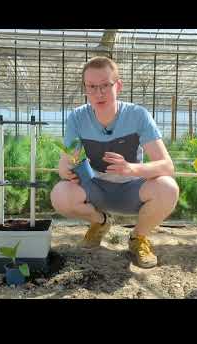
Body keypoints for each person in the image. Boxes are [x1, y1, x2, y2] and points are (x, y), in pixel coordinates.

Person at [50, 56, 179, 268]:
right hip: (96, 189)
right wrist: (67, 171)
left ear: (118, 86)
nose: (98, 93)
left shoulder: (138, 115)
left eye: (105, 86)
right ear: (85, 88)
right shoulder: (77, 118)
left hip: (133, 189)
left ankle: (138, 238)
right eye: (92, 87)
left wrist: (132, 168)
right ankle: (100, 222)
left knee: (168, 188)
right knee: (60, 194)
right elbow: (66, 161)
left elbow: (167, 166)